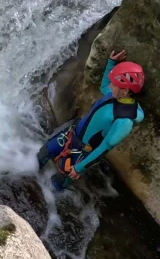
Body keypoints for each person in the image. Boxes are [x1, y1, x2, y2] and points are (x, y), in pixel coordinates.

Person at [38, 50, 145, 191]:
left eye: (114, 84)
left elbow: (103, 148)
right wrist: (111, 63)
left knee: (61, 179)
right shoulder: (115, 95)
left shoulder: (124, 120)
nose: (110, 86)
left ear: (125, 91)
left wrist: (79, 168)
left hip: (83, 151)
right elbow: (103, 86)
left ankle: (50, 197)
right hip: (72, 134)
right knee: (43, 153)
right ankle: (29, 177)